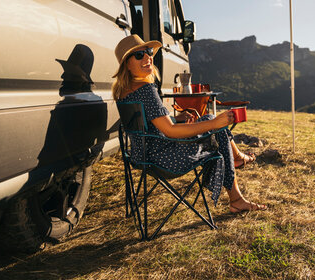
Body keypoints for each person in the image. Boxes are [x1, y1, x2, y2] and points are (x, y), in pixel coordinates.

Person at [112, 35, 266, 213]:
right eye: (139, 55)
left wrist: (176, 118)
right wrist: (216, 122)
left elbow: (149, 123)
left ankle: (237, 160)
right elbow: (170, 131)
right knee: (215, 126)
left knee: (209, 121)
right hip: (164, 160)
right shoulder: (146, 90)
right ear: (126, 64)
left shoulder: (124, 92)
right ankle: (237, 197)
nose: (148, 58)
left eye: (148, 52)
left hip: (142, 156)